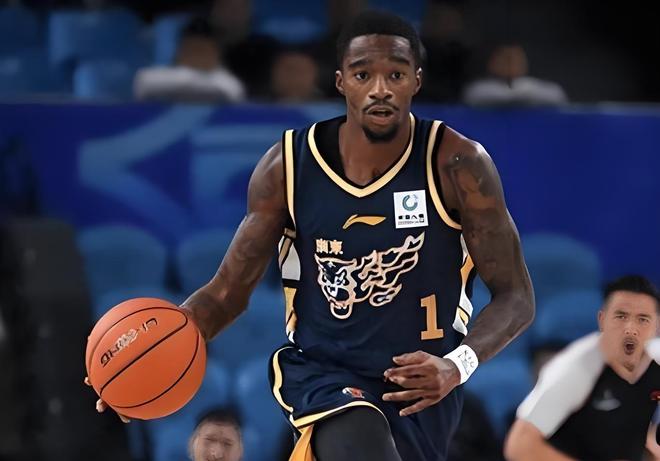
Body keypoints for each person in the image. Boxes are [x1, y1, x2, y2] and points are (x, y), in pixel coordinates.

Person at [97, 10, 535, 461]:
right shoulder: (288, 167)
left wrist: (456, 365)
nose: (380, 89)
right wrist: (144, 357)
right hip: (323, 376)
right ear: (341, 81)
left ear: (416, 81)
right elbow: (227, 293)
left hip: (421, 389)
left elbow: (517, 297)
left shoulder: (457, 163)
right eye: (363, 74)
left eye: (396, 74)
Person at [504, 275, 660, 461]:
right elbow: (519, 445)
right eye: (621, 316)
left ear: (657, 326)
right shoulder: (576, 368)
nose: (631, 328)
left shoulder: (654, 362)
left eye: (643, 319)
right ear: (602, 320)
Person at [133, 17, 245, 103]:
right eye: (192, 49)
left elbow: (228, 91)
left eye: (202, 50)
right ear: (180, 51)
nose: (196, 55)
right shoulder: (151, 78)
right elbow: (144, 84)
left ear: (216, 54)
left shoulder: (229, 84)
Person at [462, 42, 568, 107]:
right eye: (505, 59)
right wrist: (517, 97)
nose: (510, 64)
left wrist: (523, 94)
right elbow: (475, 96)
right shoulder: (480, 88)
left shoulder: (533, 86)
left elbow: (557, 95)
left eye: (516, 59)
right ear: (492, 63)